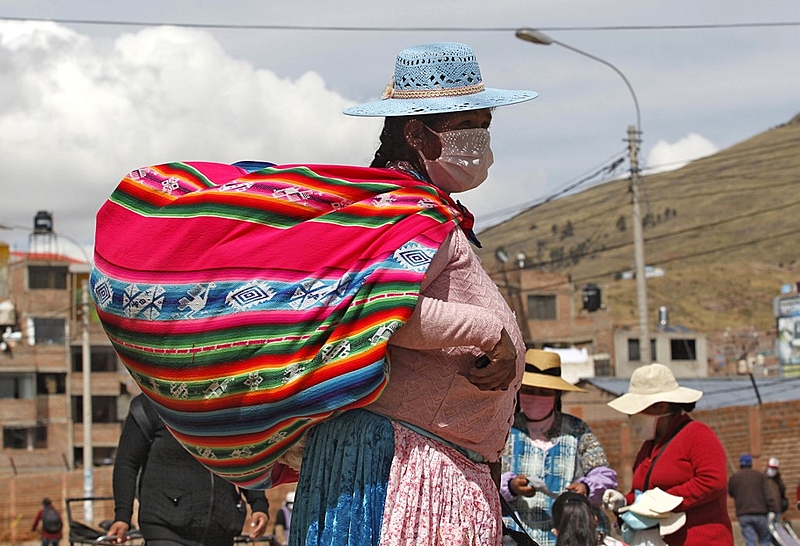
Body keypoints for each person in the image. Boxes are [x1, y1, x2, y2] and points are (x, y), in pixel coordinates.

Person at [288, 42, 536, 545]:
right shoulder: (405, 213)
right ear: (416, 133)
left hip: (424, 457)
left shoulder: (419, 211)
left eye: (485, 125)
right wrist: (490, 333)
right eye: (468, 126)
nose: (480, 141)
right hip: (400, 466)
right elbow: (378, 307)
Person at [107, 394, 270, 545]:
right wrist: (122, 516)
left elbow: (243, 458)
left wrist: (258, 504)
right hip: (165, 527)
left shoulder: (229, 406)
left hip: (220, 528)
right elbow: (127, 463)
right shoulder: (150, 404)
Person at [602, 363, 733, 545]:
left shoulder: (697, 434)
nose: (631, 416)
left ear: (661, 407)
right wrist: (625, 501)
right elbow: (644, 493)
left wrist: (665, 501)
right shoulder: (649, 446)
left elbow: (712, 481)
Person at [500, 349, 618, 546]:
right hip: (516, 535)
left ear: (556, 395)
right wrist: (511, 486)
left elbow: (604, 475)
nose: (535, 397)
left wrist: (586, 487)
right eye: (529, 391)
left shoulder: (577, 430)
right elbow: (488, 480)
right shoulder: (505, 429)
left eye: (544, 393)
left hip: (569, 536)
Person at [728, 453, 778, 546]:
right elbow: (767, 494)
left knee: (750, 542)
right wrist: (772, 510)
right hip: (761, 514)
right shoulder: (759, 476)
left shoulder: (735, 477)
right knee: (764, 541)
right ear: (751, 464)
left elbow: (731, 492)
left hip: (744, 514)